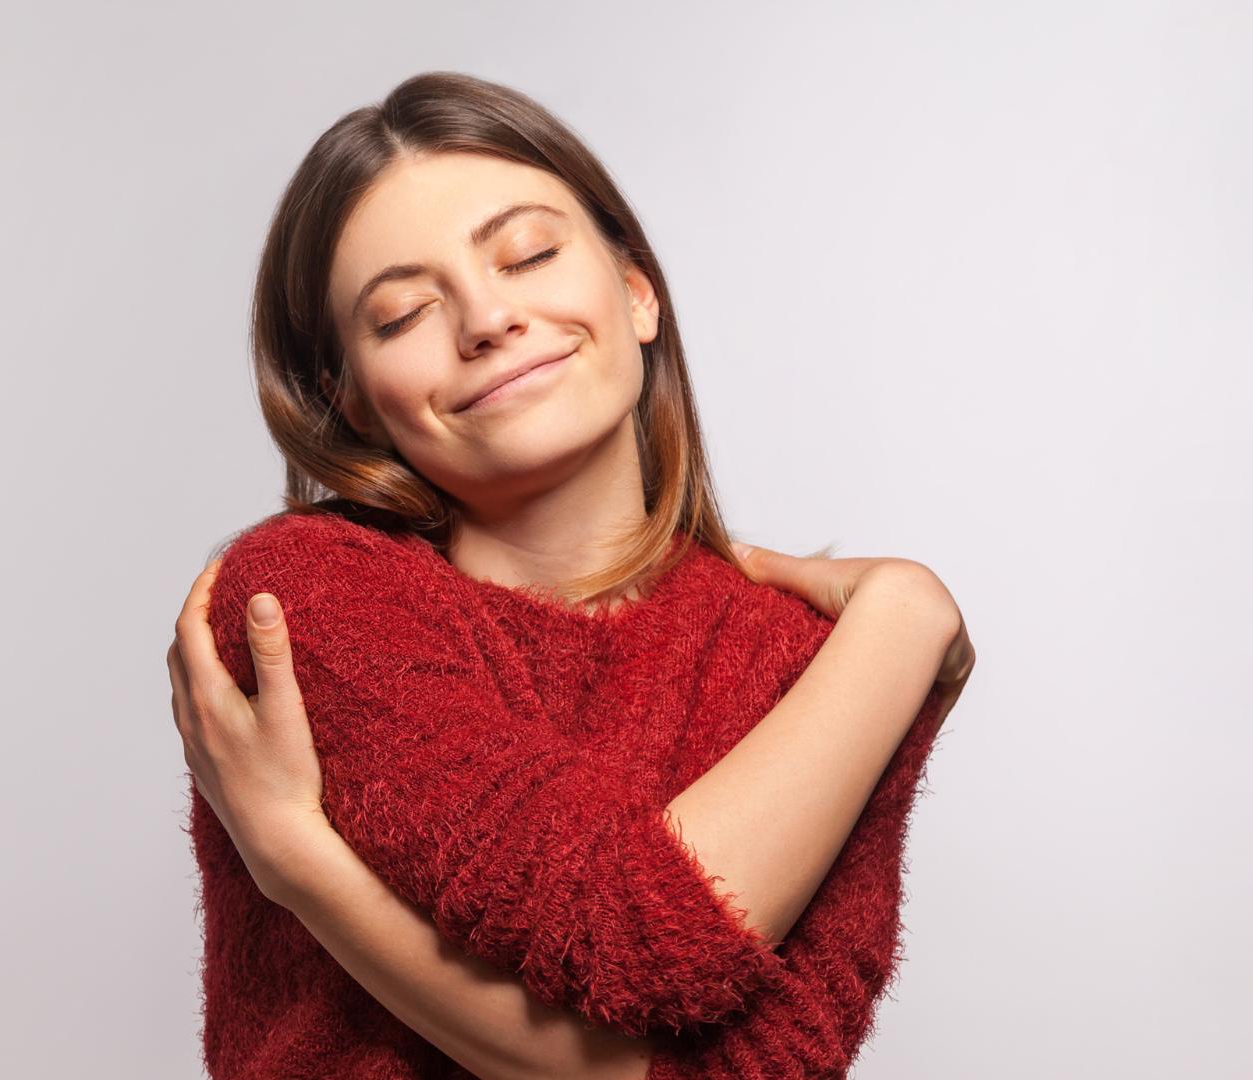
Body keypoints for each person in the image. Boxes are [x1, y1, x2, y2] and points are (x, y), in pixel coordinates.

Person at [166, 71, 974, 1080]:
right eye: (404, 312)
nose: (485, 319)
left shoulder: (812, 661)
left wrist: (302, 864)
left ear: (635, 292)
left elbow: (766, 1070)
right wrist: (907, 619)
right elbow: (631, 934)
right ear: (356, 405)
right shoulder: (305, 596)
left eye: (528, 253)